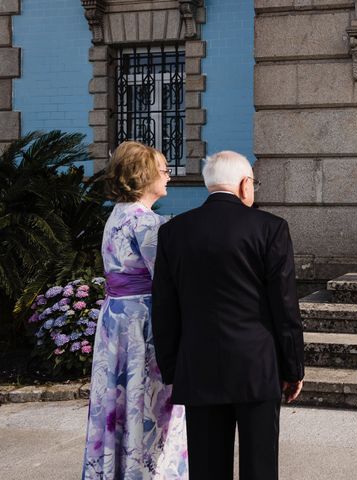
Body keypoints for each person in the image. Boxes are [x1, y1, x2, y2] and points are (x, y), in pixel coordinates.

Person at [152, 150, 305, 480]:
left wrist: (173, 369)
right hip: (257, 366)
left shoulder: (174, 232)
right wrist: (293, 367)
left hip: (198, 366)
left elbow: (164, 307)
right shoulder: (271, 228)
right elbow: (285, 305)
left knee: (207, 468)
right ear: (244, 184)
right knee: (260, 467)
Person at [82, 141, 188, 479]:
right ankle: (151, 471)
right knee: (150, 401)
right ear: (143, 176)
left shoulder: (116, 215)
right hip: (143, 320)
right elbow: (167, 281)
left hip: (115, 318)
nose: (169, 176)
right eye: (164, 170)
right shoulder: (148, 223)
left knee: (120, 398)